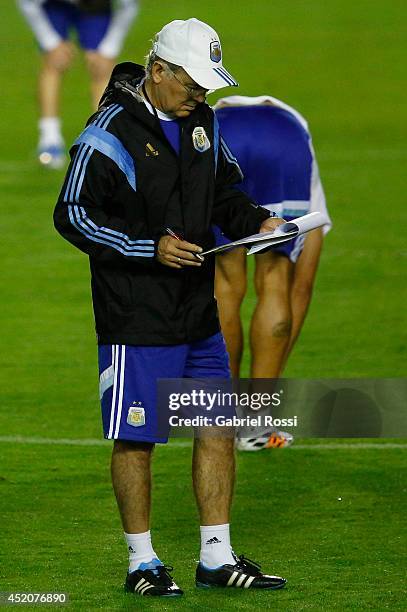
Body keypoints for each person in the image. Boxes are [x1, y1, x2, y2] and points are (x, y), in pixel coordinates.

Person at [53, 18, 287, 598]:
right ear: (158, 72)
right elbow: (72, 214)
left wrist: (258, 221)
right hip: (136, 315)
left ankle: (216, 556)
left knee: (216, 425)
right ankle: (141, 563)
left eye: (207, 85)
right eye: (192, 83)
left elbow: (226, 192)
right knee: (137, 440)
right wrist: (145, 247)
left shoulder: (202, 123)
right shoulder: (107, 135)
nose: (201, 95)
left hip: (195, 311)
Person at [213, 96, 332, 450]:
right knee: (278, 278)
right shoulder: (295, 131)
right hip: (285, 139)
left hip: (220, 133)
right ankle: (257, 425)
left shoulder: (211, 119)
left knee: (226, 283)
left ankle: (223, 419)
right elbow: (304, 286)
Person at [17, 0, 139, 168]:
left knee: (103, 69)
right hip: (55, 5)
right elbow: (27, 4)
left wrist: (108, 49)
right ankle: (50, 140)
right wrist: (51, 43)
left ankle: (107, 140)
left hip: (96, 8)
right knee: (53, 63)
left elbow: (129, 7)